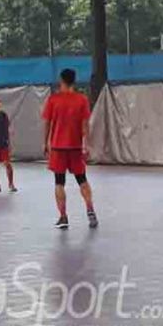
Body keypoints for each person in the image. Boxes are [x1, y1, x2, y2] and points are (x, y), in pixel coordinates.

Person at [41, 69, 98, 229]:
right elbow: (85, 125)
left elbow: (47, 123)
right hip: (75, 146)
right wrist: (86, 144)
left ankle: (63, 216)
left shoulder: (54, 100)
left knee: (59, 182)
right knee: (82, 180)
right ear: (74, 81)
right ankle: (90, 210)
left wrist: (45, 142)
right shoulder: (82, 100)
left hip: (58, 147)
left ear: (61, 80)